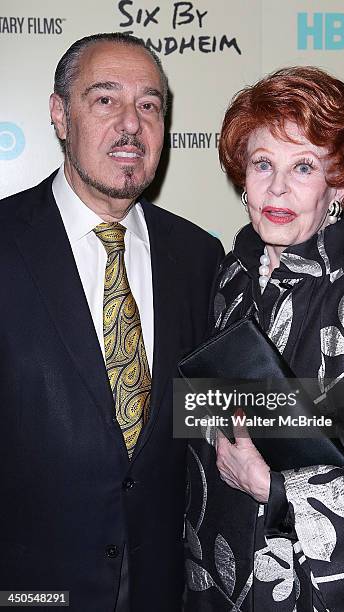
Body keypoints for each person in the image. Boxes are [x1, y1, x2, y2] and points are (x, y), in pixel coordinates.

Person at [184, 66, 344, 611]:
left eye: (304, 167)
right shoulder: (232, 275)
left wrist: (280, 490)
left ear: (338, 185)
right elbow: (211, 419)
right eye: (262, 163)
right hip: (219, 578)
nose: (277, 187)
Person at [0, 32, 223, 611]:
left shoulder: (201, 257)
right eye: (105, 100)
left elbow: (215, 412)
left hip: (164, 591)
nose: (132, 125)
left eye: (149, 105)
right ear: (59, 114)